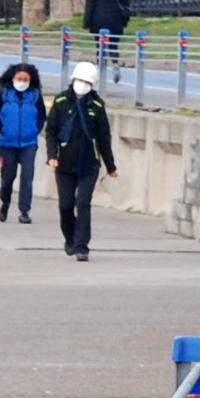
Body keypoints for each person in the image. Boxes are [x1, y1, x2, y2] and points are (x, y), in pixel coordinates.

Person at [45, 60, 118, 261]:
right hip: (64, 163)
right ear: (73, 79)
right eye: (80, 80)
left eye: (87, 81)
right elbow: (51, 131)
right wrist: (52, 155)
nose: (82, 84)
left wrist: (111, 165)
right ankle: (70, 236)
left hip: (89, 164)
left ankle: (82, 245)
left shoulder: (96, 105)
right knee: (66, 205)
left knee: (83, 203)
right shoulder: (60, 102)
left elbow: (104, 137)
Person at [0, 60, 47, 224]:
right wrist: (3, 128)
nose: (22, 82)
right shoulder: (3, 93)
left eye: (25, 79)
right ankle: (5, 202)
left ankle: (25, 211)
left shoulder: (35, 95)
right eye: (19, 79)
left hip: (29, 143)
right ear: (12, 78)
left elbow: (42, 115)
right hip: (8, 143)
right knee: (8, 178)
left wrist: (36, 129)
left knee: (27, 178)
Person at [82, 0, 132, 81]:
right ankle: (115, 64)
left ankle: (100, 70)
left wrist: (87, 22)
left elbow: (90, 4)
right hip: (115, 16)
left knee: (99, 45)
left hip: (98, 17)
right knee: (113, 44)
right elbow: (125, 1)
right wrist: (125, 19)